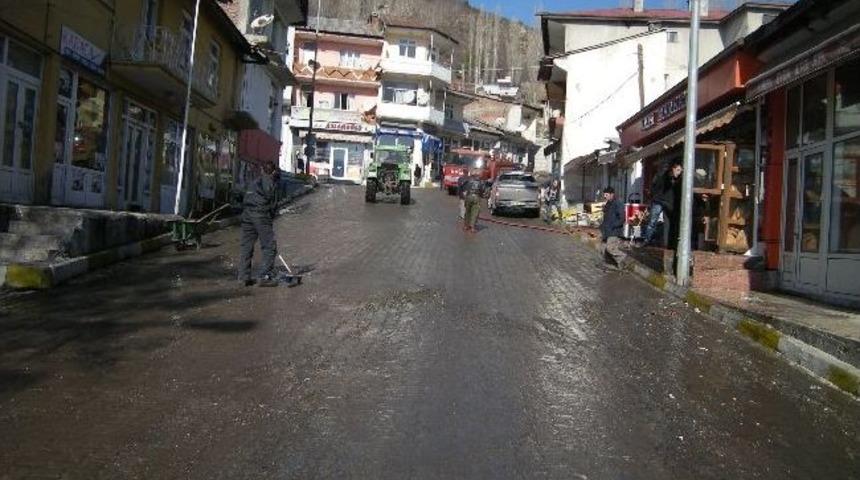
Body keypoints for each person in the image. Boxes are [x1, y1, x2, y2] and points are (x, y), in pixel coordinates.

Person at [238, 163, 280, 287]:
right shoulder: (272, 183)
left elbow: (242, 195)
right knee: (269, 246)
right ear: (273, 172)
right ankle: (265, 277)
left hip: (247, 214)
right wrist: (270, 219)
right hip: (261, 215)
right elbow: (273, 205)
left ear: (262, 169)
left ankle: (243, 277)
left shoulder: (253, 182)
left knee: (246, 246)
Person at [640, 161, 683, 247]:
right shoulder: (663, 175)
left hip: (669, 203)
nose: (679, 173)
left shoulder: (679, 179)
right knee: (652, 221)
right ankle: (647, 240)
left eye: (680, 171)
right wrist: (652, 195)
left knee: (668, 223)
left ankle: (667, 243)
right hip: (658, 200)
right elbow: (655, 186)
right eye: (678, 170)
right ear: (673, 169)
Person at [599, 186, 628, 271]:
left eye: (606, 195)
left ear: (612, 194)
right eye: (604, 195)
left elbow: (622, 218)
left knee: (610, 248)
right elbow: (607, 216)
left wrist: (614, 225)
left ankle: (623, 259)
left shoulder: (618, 203)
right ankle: (611, 264)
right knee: (602, 249)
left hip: (614, 230)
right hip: (606, 230)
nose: (605, 196)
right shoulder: (608, 203)